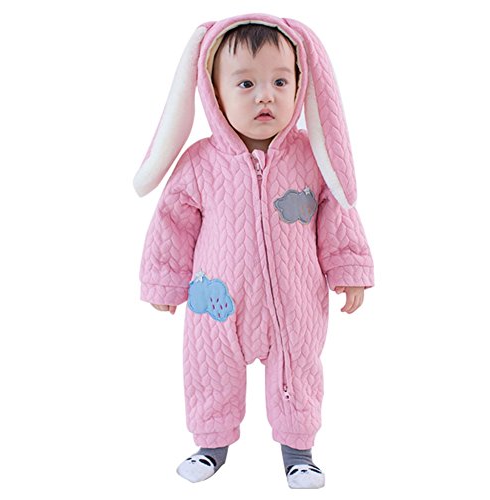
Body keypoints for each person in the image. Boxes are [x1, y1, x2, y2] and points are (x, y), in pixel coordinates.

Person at [133, 13, 374, 489]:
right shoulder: (200, 163)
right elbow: (172, 222)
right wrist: (164, 280)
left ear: (300, 87)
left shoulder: (312, 158)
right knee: (209, 370)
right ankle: (210, 446)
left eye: (280, 81)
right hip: (215, 303)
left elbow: (338, 209)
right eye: (246, 83)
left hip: (296, 299)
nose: (266, 95)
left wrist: (348, 267)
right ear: (213, 93)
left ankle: (299, 452)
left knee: (299, 371)